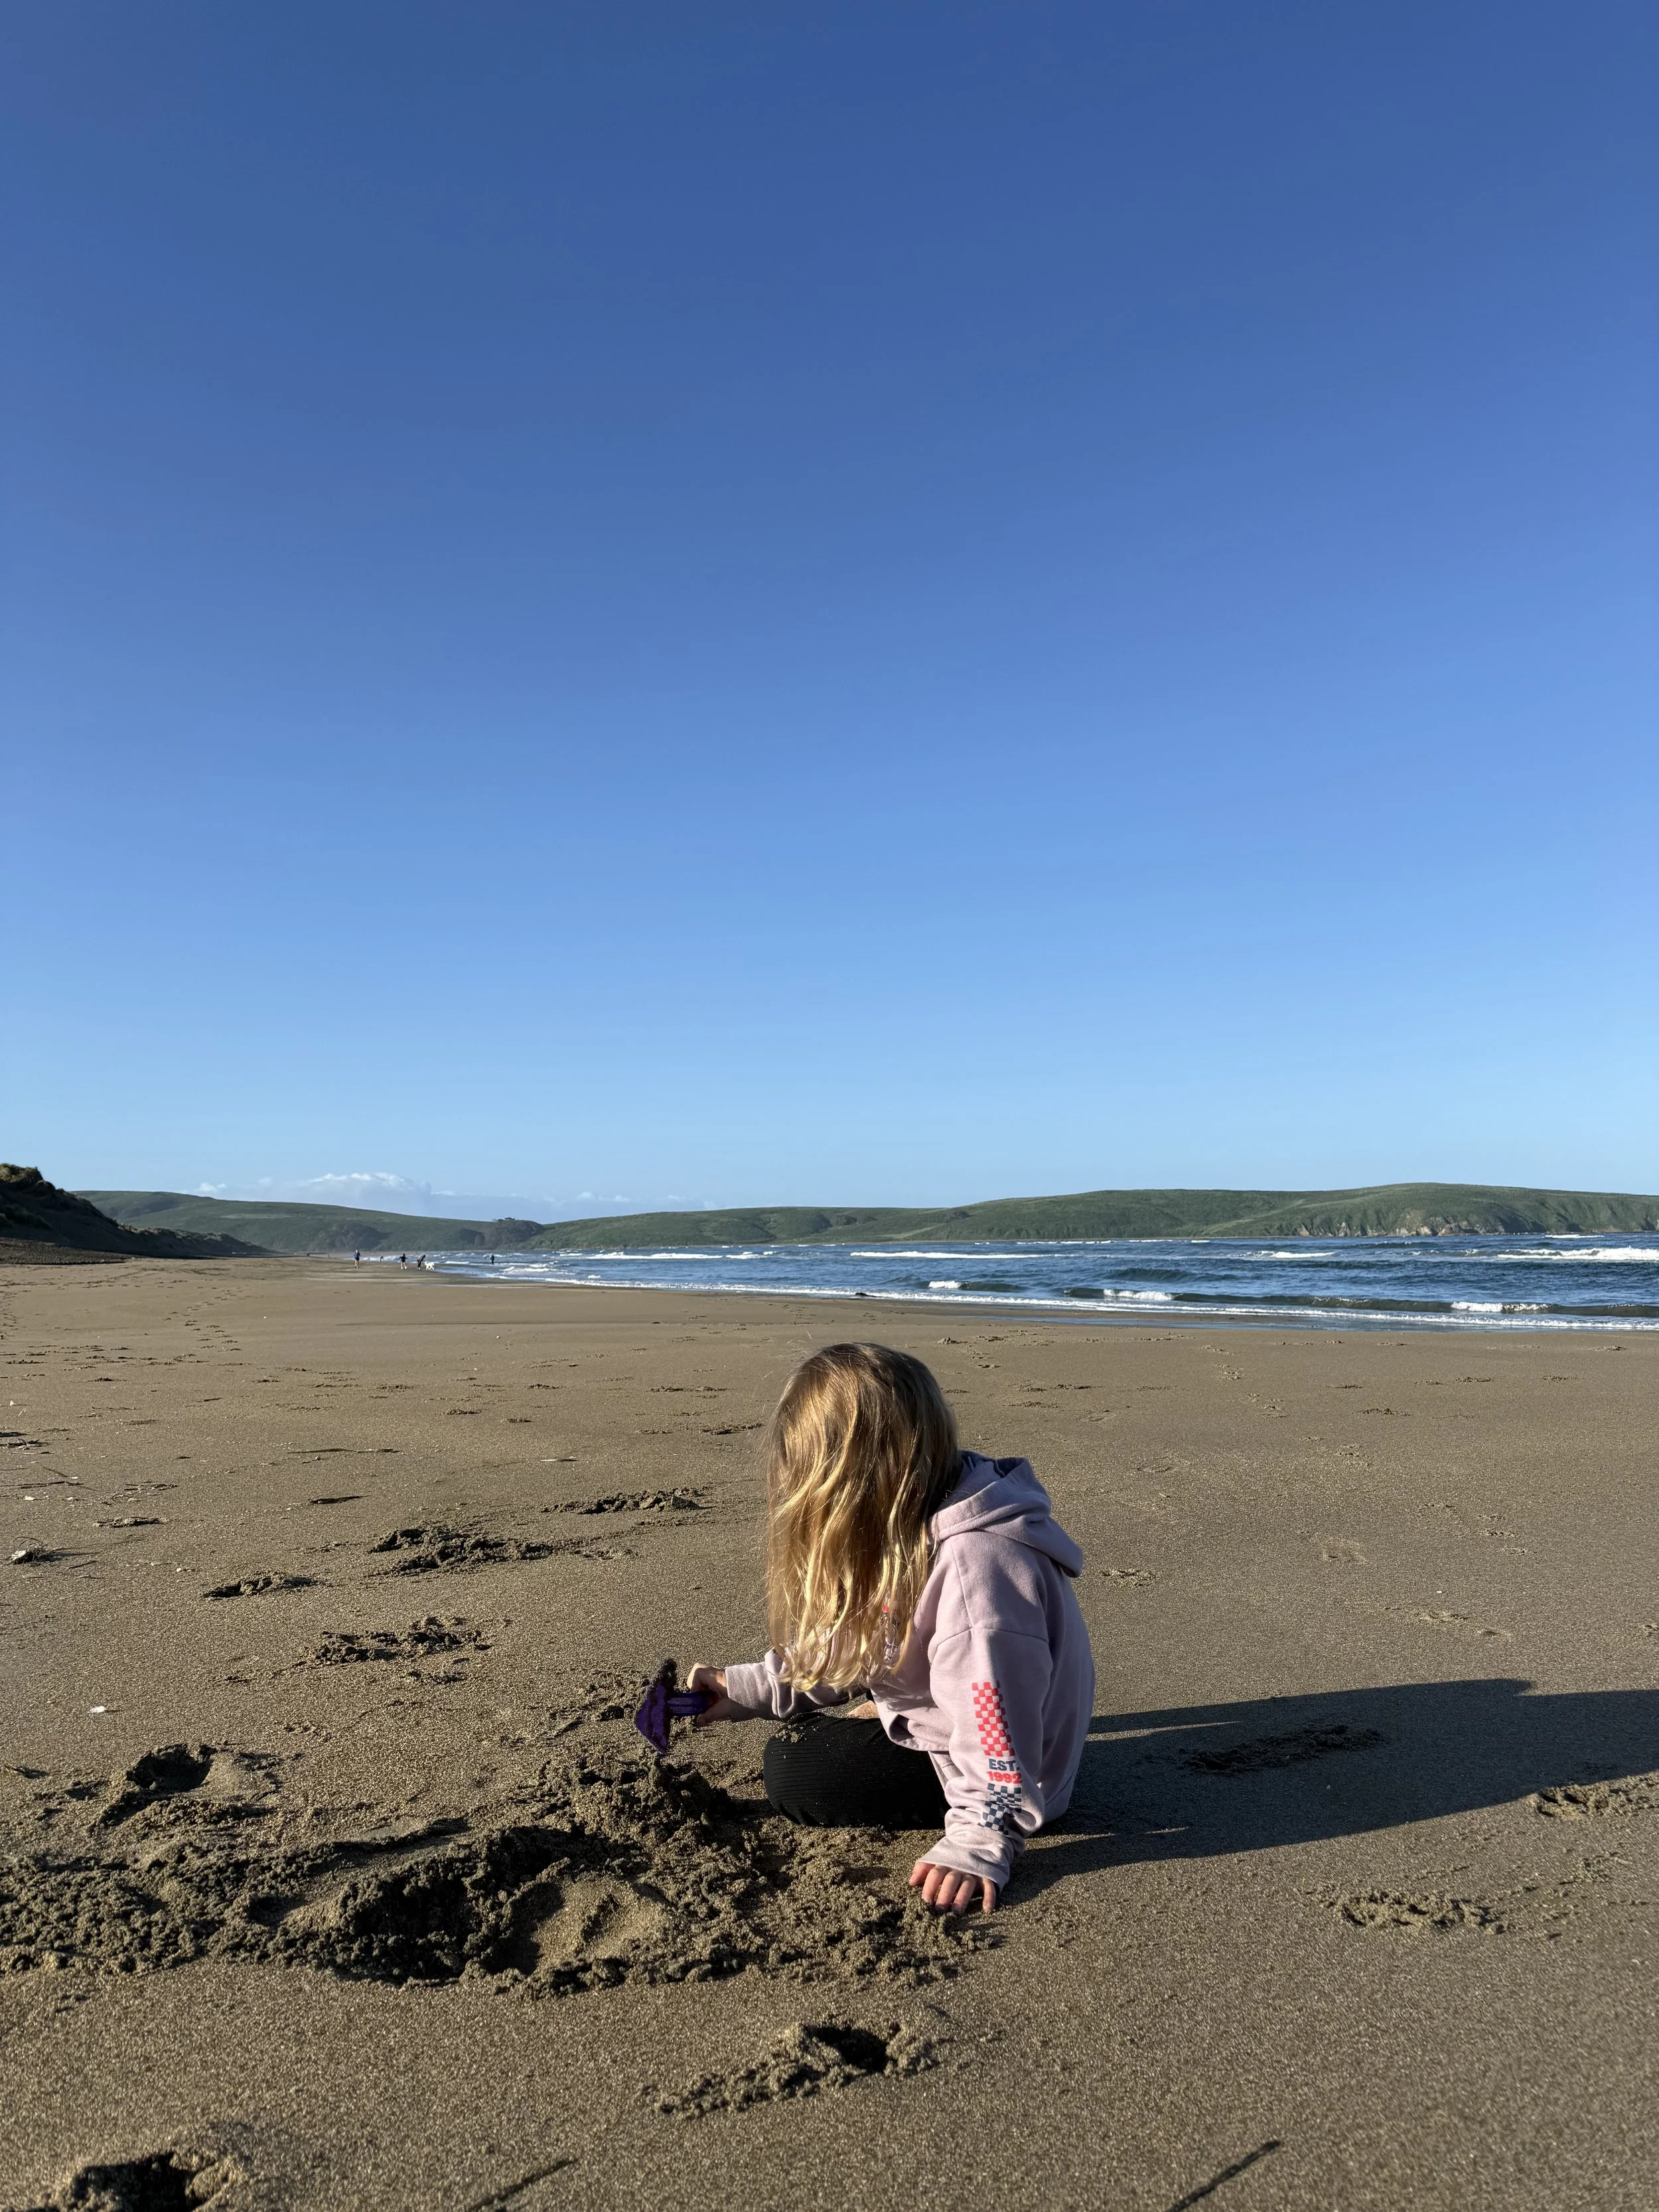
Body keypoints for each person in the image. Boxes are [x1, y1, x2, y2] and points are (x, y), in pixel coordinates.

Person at [687, 1342, 1094, 1917]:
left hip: (1010, 1776)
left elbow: (995, 1721)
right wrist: (747, 1687)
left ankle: (943, 1770)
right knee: (811, 1727)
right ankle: (894, 1711)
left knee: (795, 1769)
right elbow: (855, 1644)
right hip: (986, 1712)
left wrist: (980, 1839)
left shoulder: (979, 1580)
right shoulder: (924, 1510)